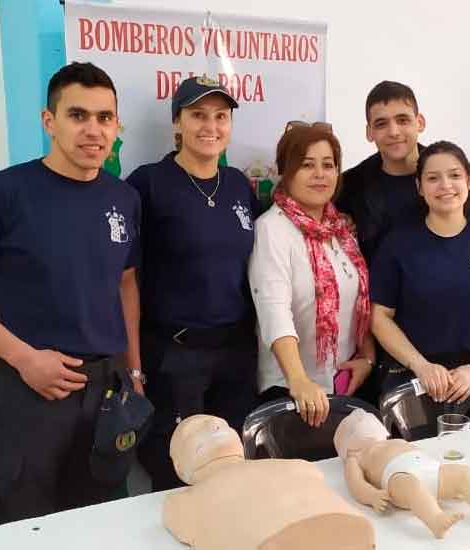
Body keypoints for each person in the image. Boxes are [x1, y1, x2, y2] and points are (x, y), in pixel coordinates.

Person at [0, 62, 141, 524]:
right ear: (50, 120)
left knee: (98, 521)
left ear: (117, 125)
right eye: (78, 115)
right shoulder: (3, 193)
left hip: (105, 390)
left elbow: (125, 282)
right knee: (20, 523)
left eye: (105, 118)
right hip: (32, 390)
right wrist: (24, 358)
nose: (93, 130)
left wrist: (134, 368)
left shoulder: (123, 199)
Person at [125, 76, 258, 490]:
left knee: (234, 466)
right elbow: (121, 276)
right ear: (177, 124)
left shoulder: (238, 184)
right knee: (177, 472)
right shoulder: (147, 184)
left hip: (235, 353)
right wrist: (133, 366)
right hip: (175, 356)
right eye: (198, 115)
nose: (210, 126)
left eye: (221, 116)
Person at [369, 141, 470, 413]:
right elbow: (379, 318)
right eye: (433, 178)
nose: (445, 185)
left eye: (455, 175)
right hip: (413, 379)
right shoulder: (397, 244)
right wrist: (421, 366)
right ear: (419, 187)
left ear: (469, 181)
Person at [249, 125, 374, 427]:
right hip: (291, 391)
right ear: (285, 172)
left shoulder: (341, 230)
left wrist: (367, 357)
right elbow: (274, 311)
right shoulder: (272, 229)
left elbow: (361, 301)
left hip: (343, 383)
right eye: (307, 165)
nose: (320, 174)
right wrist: (299, 381)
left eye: (328, 165)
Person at [337, 80, 470, 264]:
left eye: (402, 120)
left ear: (420, 122)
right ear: (369, 132)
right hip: (379, 291)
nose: (394, 132)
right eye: (381, 124)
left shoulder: (458, 179)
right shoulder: (350, 188)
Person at [163, 414, 375, 550]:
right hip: (349, 530)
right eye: (194, 433)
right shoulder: (185, 502)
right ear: (181, 469)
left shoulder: (294, 465)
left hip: (344, 529)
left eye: (221, 425)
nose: (213, 426)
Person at [334, 408, 470, 539]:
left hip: (430, 469)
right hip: (398, 476)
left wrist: (445, 477)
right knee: (411, 486)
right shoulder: (355, 457)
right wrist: (372, 496)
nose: (370, 435)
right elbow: (355, 485)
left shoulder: (393, 441)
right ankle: (435, 519)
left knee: (464, 473)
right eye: (361, 431)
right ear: (347, 444)